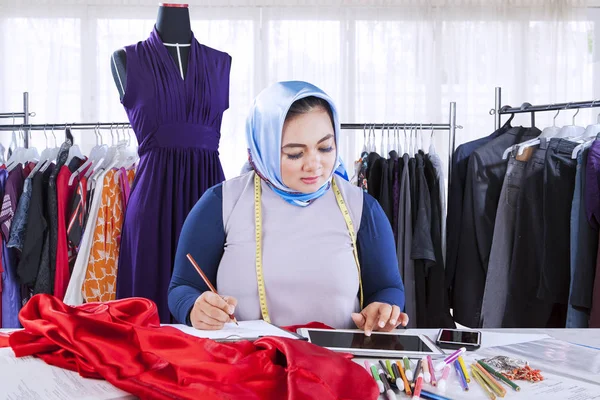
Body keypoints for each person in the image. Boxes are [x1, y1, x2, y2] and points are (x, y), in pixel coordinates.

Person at [168, 81, 408, 335]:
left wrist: (383, 309)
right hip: (244, 364)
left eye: (325, 147)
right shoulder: (221, 203)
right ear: (264, 149)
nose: (314, 165)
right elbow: (182, 286)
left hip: (335, 365)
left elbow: (387, 287)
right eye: (295, 154)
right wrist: (194, 307)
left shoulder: (362, 208)